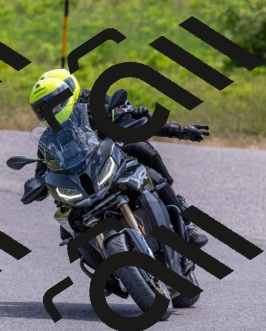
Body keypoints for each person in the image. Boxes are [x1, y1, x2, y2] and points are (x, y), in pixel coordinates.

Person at [25, 69, 209, 248]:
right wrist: (36, 185)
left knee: (145, 157)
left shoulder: (95, 108)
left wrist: (179, 131)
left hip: (112, 164)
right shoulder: (48, 138)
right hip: (82, 185)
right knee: (68, 231)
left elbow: (134, 122)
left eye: (54, 104)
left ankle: (184, 223)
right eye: (42, 109)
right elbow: (42, 170)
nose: (50, 111)